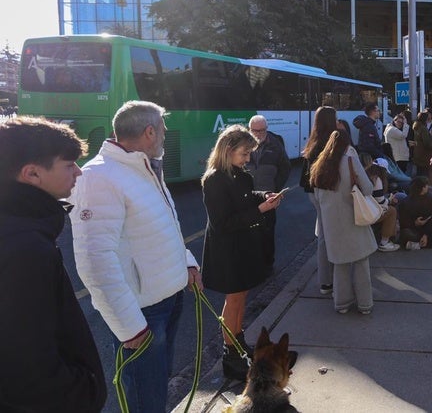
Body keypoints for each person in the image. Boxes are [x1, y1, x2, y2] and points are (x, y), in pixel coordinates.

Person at [70, 101, 203, 413]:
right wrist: (129, 326)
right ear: (149, 132)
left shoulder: (143, 166)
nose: (165, 137)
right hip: (143, 314)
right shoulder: (98, 177)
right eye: (163, 131)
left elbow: (162, 225)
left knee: (156, 391)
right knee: (146, 400)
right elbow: (95, 262)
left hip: (168, 300)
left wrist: (186, 262)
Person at [0, 117, 107, 412]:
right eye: (69, 164)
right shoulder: (26, 248)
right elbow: (29, 368)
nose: (79, 171)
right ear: (32, 174)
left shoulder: (20, 229)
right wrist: (84, 392)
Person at [201, 125, 283, 381]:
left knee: (241, 296)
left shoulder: (239, 174)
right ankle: (231, 353)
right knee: (233, 299)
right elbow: (222, 223)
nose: (248, 159)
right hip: (227, 248)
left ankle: (238, 341)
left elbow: (246, 197)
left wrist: (264, 196)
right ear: (228, 150)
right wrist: (260, 210)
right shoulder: (214, 180)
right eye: (244, 154)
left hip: (242, 244)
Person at [310, 130, 377, 314]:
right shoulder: (350, 160)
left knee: (340, 264)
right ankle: (364, 304)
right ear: (347, 144)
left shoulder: (320, 165)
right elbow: (368, 189)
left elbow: (316, 195)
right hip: (353, 218)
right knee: (361, 262)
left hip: (332, 223)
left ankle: (342, 304)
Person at [300, 106, 338, 296]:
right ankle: (327, 280)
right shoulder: (331, 141)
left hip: (312, 191)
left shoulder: (313, 140)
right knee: (327, 236)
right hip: (327, 192)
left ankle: (327, 280)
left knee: (323, 232)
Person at [247, 114, 291, 274]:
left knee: (267, 230)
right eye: (255, 130)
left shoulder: (275, 143)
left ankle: (267, 264)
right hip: (248, 196)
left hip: (269, 196)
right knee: (249, 231)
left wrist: (275, 188)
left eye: (262, 130)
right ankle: (252, 262)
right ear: (249, 129)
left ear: (267, 129)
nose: (258, 134)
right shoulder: (244, 143)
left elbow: (285, 168)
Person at [397, 176, 432, 250]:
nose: (428, 187)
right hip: (413, 230)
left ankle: (417, 245)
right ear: (422, 188)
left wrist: (426, 234)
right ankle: (429, 243)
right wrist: (415, 223)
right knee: (406, 233)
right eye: (426, 185)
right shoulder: (406, 202)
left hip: (428, 230)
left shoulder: (430, 199)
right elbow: (403, 222)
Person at [360, 153, 400, 252]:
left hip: (362, 209)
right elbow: (380, 201)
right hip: (368, 213)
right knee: (392, 211)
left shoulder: (365, 174)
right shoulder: (376, 180)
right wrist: (389, 200)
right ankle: (384, 242)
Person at [411, 111, 432, 180]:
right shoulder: (423, 128)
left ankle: (419, 187)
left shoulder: (415, 126)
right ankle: (424, 188)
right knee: (425, 173)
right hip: (424, 153)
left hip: (417, 151)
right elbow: (426, 142)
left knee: (419, 172)